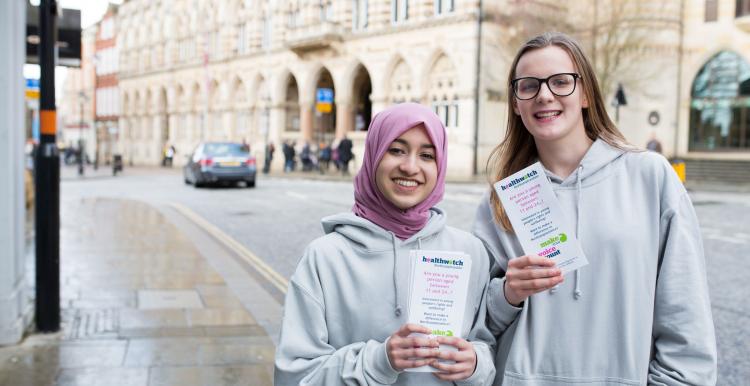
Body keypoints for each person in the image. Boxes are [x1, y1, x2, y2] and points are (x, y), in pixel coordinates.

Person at [472, 32, 717, 386]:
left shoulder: (650, 175)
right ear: (515, 102)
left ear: (586, 93)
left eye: (560, 82)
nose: (544, 95)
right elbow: (476, 327)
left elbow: (685, 313)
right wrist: (508, 294)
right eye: (529, 86)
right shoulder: (499, 201)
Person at [275, 103, 496, 386]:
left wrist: (475, 364)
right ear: (374, 155)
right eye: (397, 150)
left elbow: (487, 349)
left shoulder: (468, 250)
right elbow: (294, 376)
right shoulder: (325, 257)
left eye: (427, 155)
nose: (410, 166)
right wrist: (378, 361)